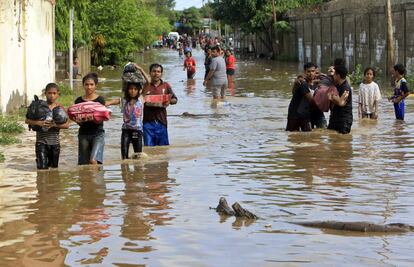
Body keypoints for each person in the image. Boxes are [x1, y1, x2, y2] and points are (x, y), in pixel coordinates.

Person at [25, 83, 70, 169]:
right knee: (42, 170)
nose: (52, 96)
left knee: (54, 170)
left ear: (58, 94)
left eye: (54, 93)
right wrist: (38, 123)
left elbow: (67, 125)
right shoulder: (38, 106)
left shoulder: (60, 108)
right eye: (49, 93)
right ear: (45, 93)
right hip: (41, 142)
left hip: (55, 144)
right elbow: (27, 120)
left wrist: (54, 125)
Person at [73, 73, 108, 165]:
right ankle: (87, 179)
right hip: (83, 134)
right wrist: (78, 120)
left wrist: (92, 118)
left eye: (91, 84)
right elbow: (77, 120)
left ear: (96, 86)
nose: (89, 87)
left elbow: (101, 120)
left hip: (98, 134)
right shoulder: (78, 101)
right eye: (87, 84)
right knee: (83, 164)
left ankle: (96, 179)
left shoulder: (100, 100)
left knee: (93, 160)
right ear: (83, 85)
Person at [142, 63, 178, 146]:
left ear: (161, 73)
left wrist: (168, 101)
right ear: (150, 73)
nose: (156, 74)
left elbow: (175, 99)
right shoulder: (145, 85)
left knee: (163, 149)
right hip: (147, 122)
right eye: (154, 71)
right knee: (148, 148)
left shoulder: (166, 85)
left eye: (158, 71)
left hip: (162, 122)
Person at [286, 62, 317, 132]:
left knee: (307, 134)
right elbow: (312, 100)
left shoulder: (315, 84)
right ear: (305, 72)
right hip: (295, 114)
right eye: (308, 71)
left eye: (313, 71)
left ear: (315, 72)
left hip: (304, 113)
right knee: (293, 135)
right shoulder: (302, 83)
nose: (311, 73)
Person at [328, 64, 353, 134]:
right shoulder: (336, 85)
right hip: (334, 119)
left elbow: (341, 103)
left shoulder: (346, 88)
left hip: (344, 121)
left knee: (343, 142)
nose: (333, 76)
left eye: (334, 74)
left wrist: (333, 97)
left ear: (338, 76)